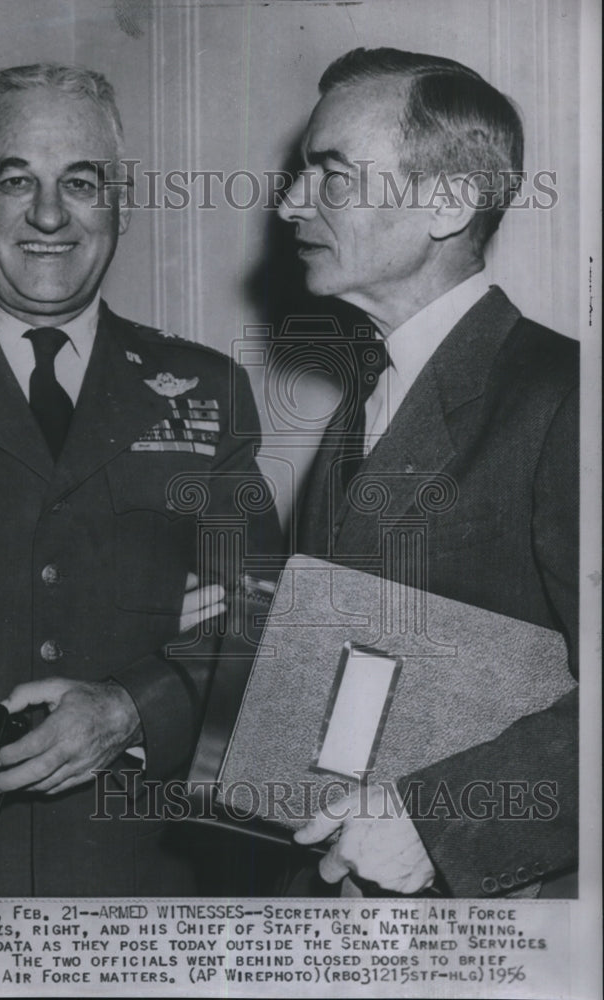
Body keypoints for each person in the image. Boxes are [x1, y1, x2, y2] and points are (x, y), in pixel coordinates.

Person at [0, 63, 281, 896]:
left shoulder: (206, 389)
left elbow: (263, 623)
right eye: (16, 180)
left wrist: (134, 707)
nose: (49, 215)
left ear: (122, 202)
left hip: (134, 886)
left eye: (81, 182)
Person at [276, 48, 578, 896]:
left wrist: (438, 819)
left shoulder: (566, 400)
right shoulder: (363, 402)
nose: (291, 202)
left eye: (332, 175)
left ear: (448, 202)